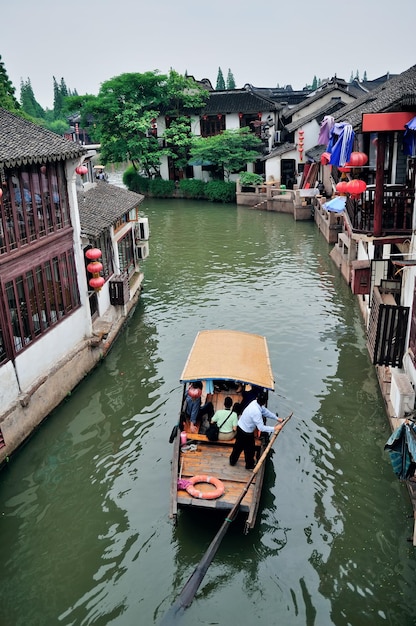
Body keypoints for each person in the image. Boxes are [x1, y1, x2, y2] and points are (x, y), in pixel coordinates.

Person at [229, 391, 283, 470]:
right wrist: (274, 428)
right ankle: (249, 465)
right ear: (264, 402)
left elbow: (265, 411)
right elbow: (261, 428)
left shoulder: (254, 402)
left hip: (241, 427)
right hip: (246, 432)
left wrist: (276, 418)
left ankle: (232, 461)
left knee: (238, 446)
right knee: (250, 449)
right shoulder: (256, 412)